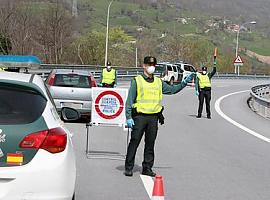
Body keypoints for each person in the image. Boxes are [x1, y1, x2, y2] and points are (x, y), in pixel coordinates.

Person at [124, 56, 194, 177]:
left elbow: (172, 90)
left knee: (150, 144)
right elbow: (129, 100)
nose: (151, 67)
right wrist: (128, 116)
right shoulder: (137, 81)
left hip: (153, 118)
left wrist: (183, 83)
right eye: (149, 65)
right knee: (134, 142)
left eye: (153, 65)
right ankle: (129, 167)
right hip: (139, 117)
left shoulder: (158, 82)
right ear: (144, 66)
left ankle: (147, 167)